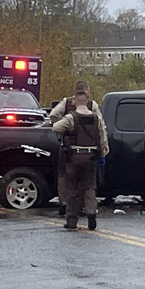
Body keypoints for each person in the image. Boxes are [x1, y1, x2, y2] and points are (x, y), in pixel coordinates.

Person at [51, 91, 109, 230]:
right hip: (91, 158)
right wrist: (102, 153)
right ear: (87, 102)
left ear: (75, 102)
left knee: (72, 189)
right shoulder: (96, 118)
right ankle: (91, 212)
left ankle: (72, 220)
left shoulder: (72, 117)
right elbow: (103, 137)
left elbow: (55, 127)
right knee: (90, 187)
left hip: (74, 157)